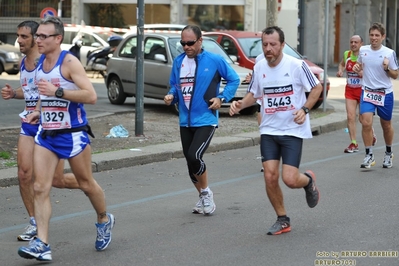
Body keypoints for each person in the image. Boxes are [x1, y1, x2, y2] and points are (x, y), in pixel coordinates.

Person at [17, 16, 114, 262]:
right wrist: (39, 109)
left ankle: (103, 218)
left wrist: (59, 91)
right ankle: (42, 243)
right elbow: (42, 92)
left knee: (86, 183)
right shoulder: (39, 63)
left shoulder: (69, 62)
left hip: (73, 134)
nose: (38, 40)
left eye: (43, 36)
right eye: (36, 36)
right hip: (47, 135)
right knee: (40, 186)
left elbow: (90, 96)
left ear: (57, 38)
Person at [229, 26, 321, 235]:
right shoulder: (260, 66)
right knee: (270, 176)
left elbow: (316, 88)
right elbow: (254, 94)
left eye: (273, 45)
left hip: (292, 130)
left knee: (289, 179)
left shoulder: (296, 65)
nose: (268, 49)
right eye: (265, 45)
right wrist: (240, 104)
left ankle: (307, 180)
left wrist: (305, 109)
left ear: (282, 45)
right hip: (269, 129)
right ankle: (282, 219)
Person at [1, 20, 80, 242]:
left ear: (37, 38)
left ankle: (87, 184)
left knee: (58, 180)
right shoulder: (23, 63)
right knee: (23, 174)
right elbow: (29, 91)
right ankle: (34, 222)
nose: (19, 40)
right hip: (28, 122)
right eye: (18, 36)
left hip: (50, 125)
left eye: (24, 36)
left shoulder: (47, 62)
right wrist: (13, 93)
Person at [164, 25, 239, 215]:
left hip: (206, 119)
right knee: (190, 165)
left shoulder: (214, 60)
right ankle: (202, 196)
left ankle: (206, 193)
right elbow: (175, 85)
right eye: (183, 43)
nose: (186, 47)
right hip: (185, 120)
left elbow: (234, 79)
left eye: (190, 43)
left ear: (200, 41)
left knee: (194, 156)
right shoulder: (178, 62)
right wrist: (171, 95)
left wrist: (222, 98)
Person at [353, 22, 398, 169]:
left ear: (383, 37)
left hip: (384, 93)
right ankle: (369, 155)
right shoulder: (363, 50)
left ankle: (388, 152)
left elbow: (396, 75)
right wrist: (357, 67)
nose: (374, 38)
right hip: (368, 91)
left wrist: (386, 68)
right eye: (372, 35)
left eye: (377, 35)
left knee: (386, 125)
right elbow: (359, 65)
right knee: (366, 122)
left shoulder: (389, 53)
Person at [336, 35, 377, 153]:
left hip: (363, 90)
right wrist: (340, 70)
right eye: (351, 42)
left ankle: (371, 132)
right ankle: (353, 143)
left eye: (356, 42)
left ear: (361, 44)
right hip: (350, 90)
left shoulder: (365, 56)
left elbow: (372, 73)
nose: (353, 44)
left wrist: (362, 73)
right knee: (350, 116)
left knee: (363, 119)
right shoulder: (347, 54)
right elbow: (342, 64)